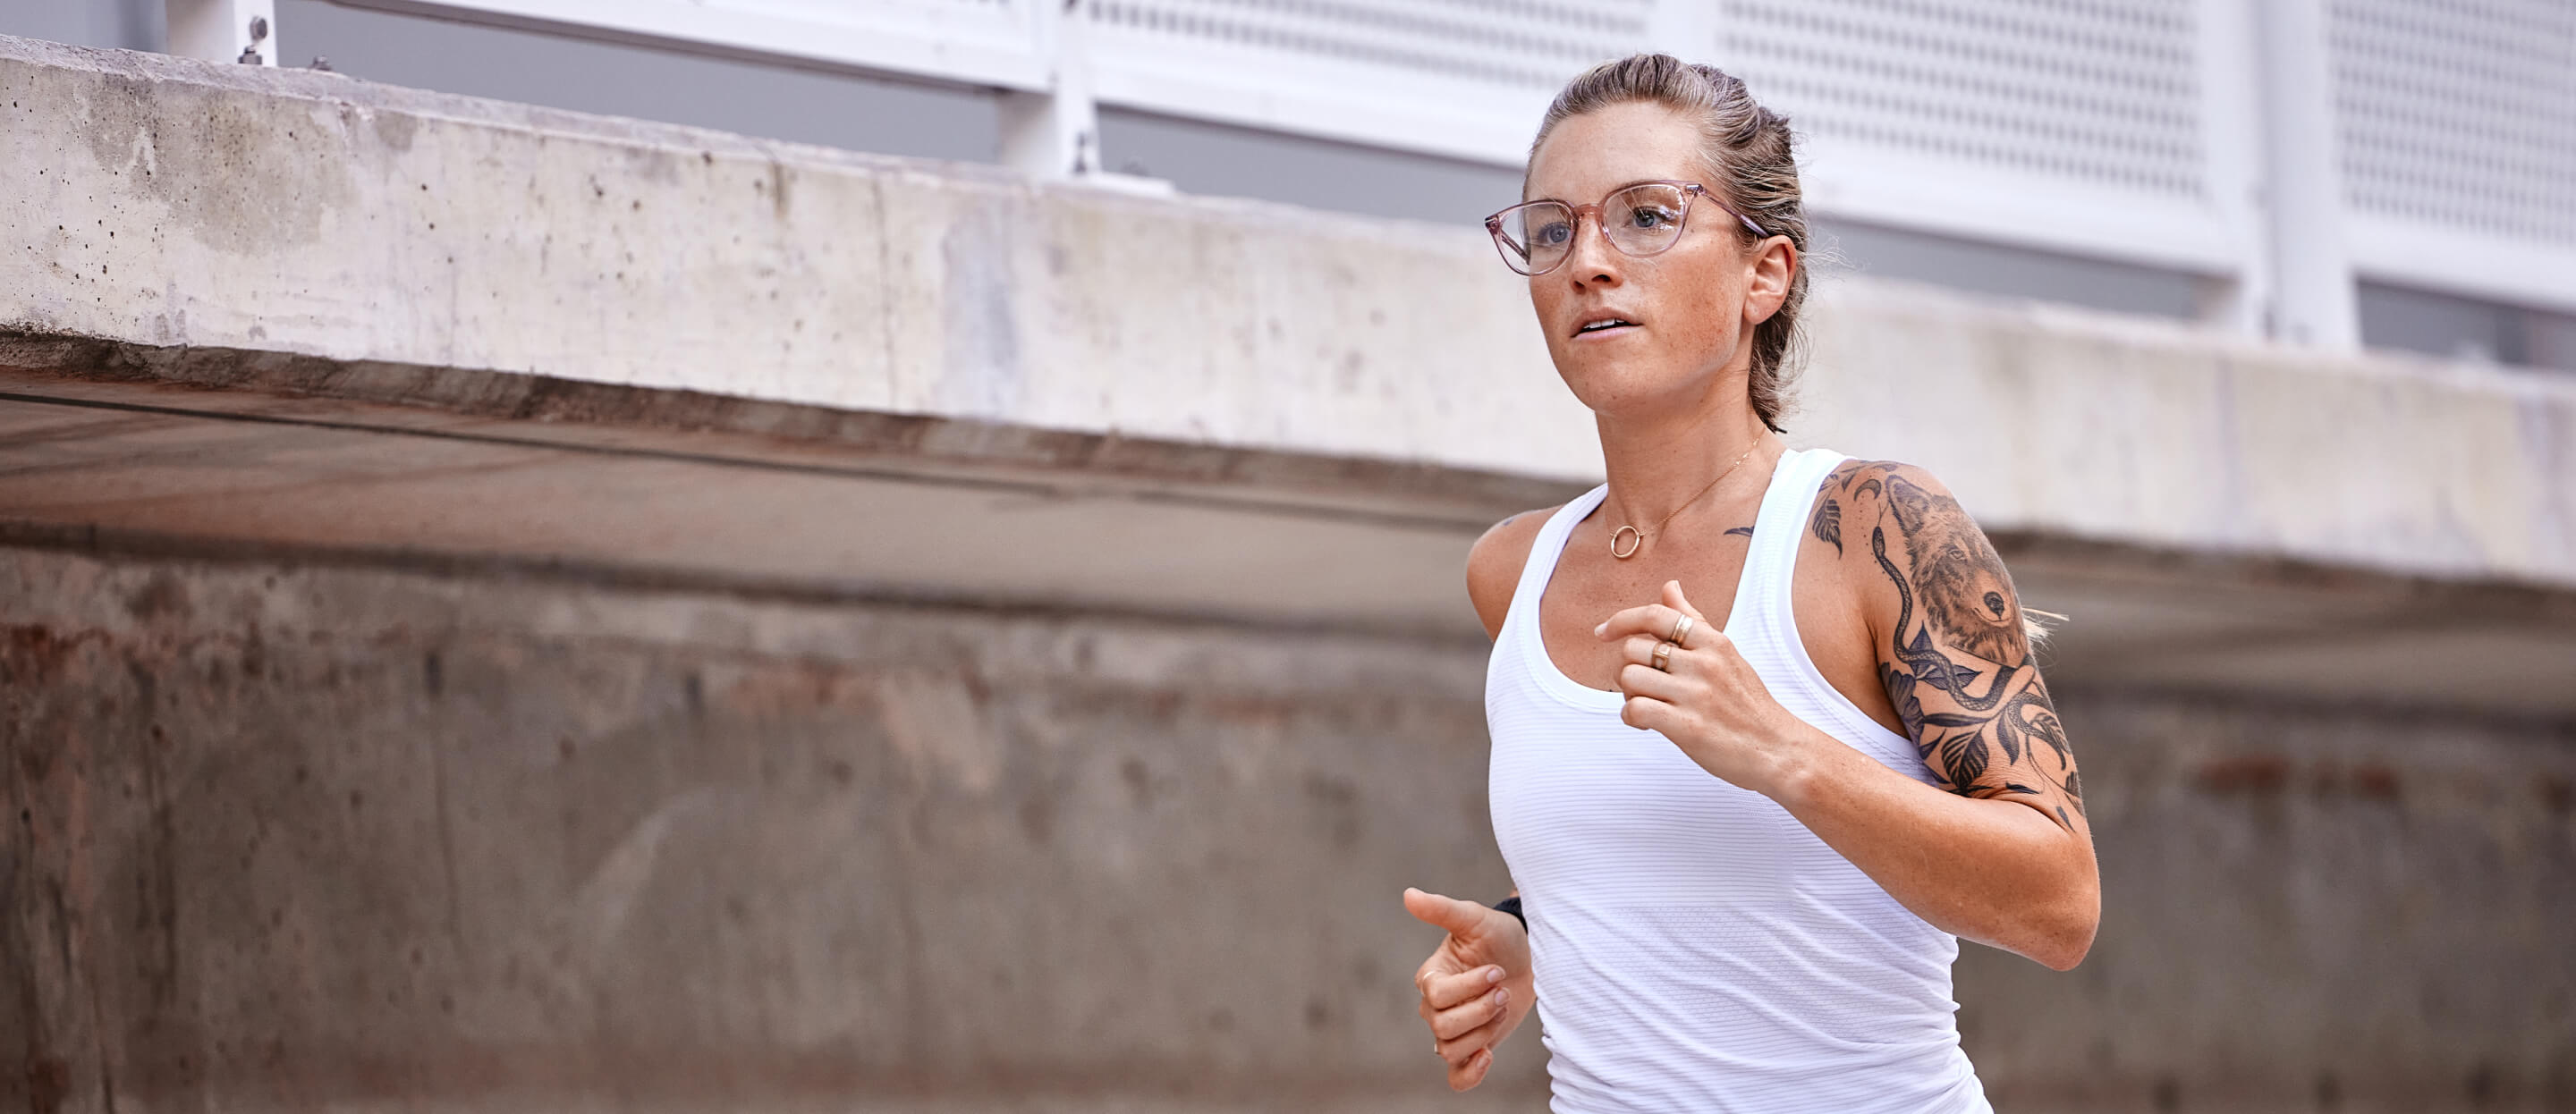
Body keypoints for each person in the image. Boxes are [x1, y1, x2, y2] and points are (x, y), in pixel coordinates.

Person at [1400, 55, 2097, 1112]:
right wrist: (1530, 934)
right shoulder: (1512, 571)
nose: (1589, 260)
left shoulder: (1874, 530)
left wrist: (1780, 749)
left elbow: (2059, 904)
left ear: (1763, 274)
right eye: (1553, 229)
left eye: (1646, 216)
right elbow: (1669, 857)